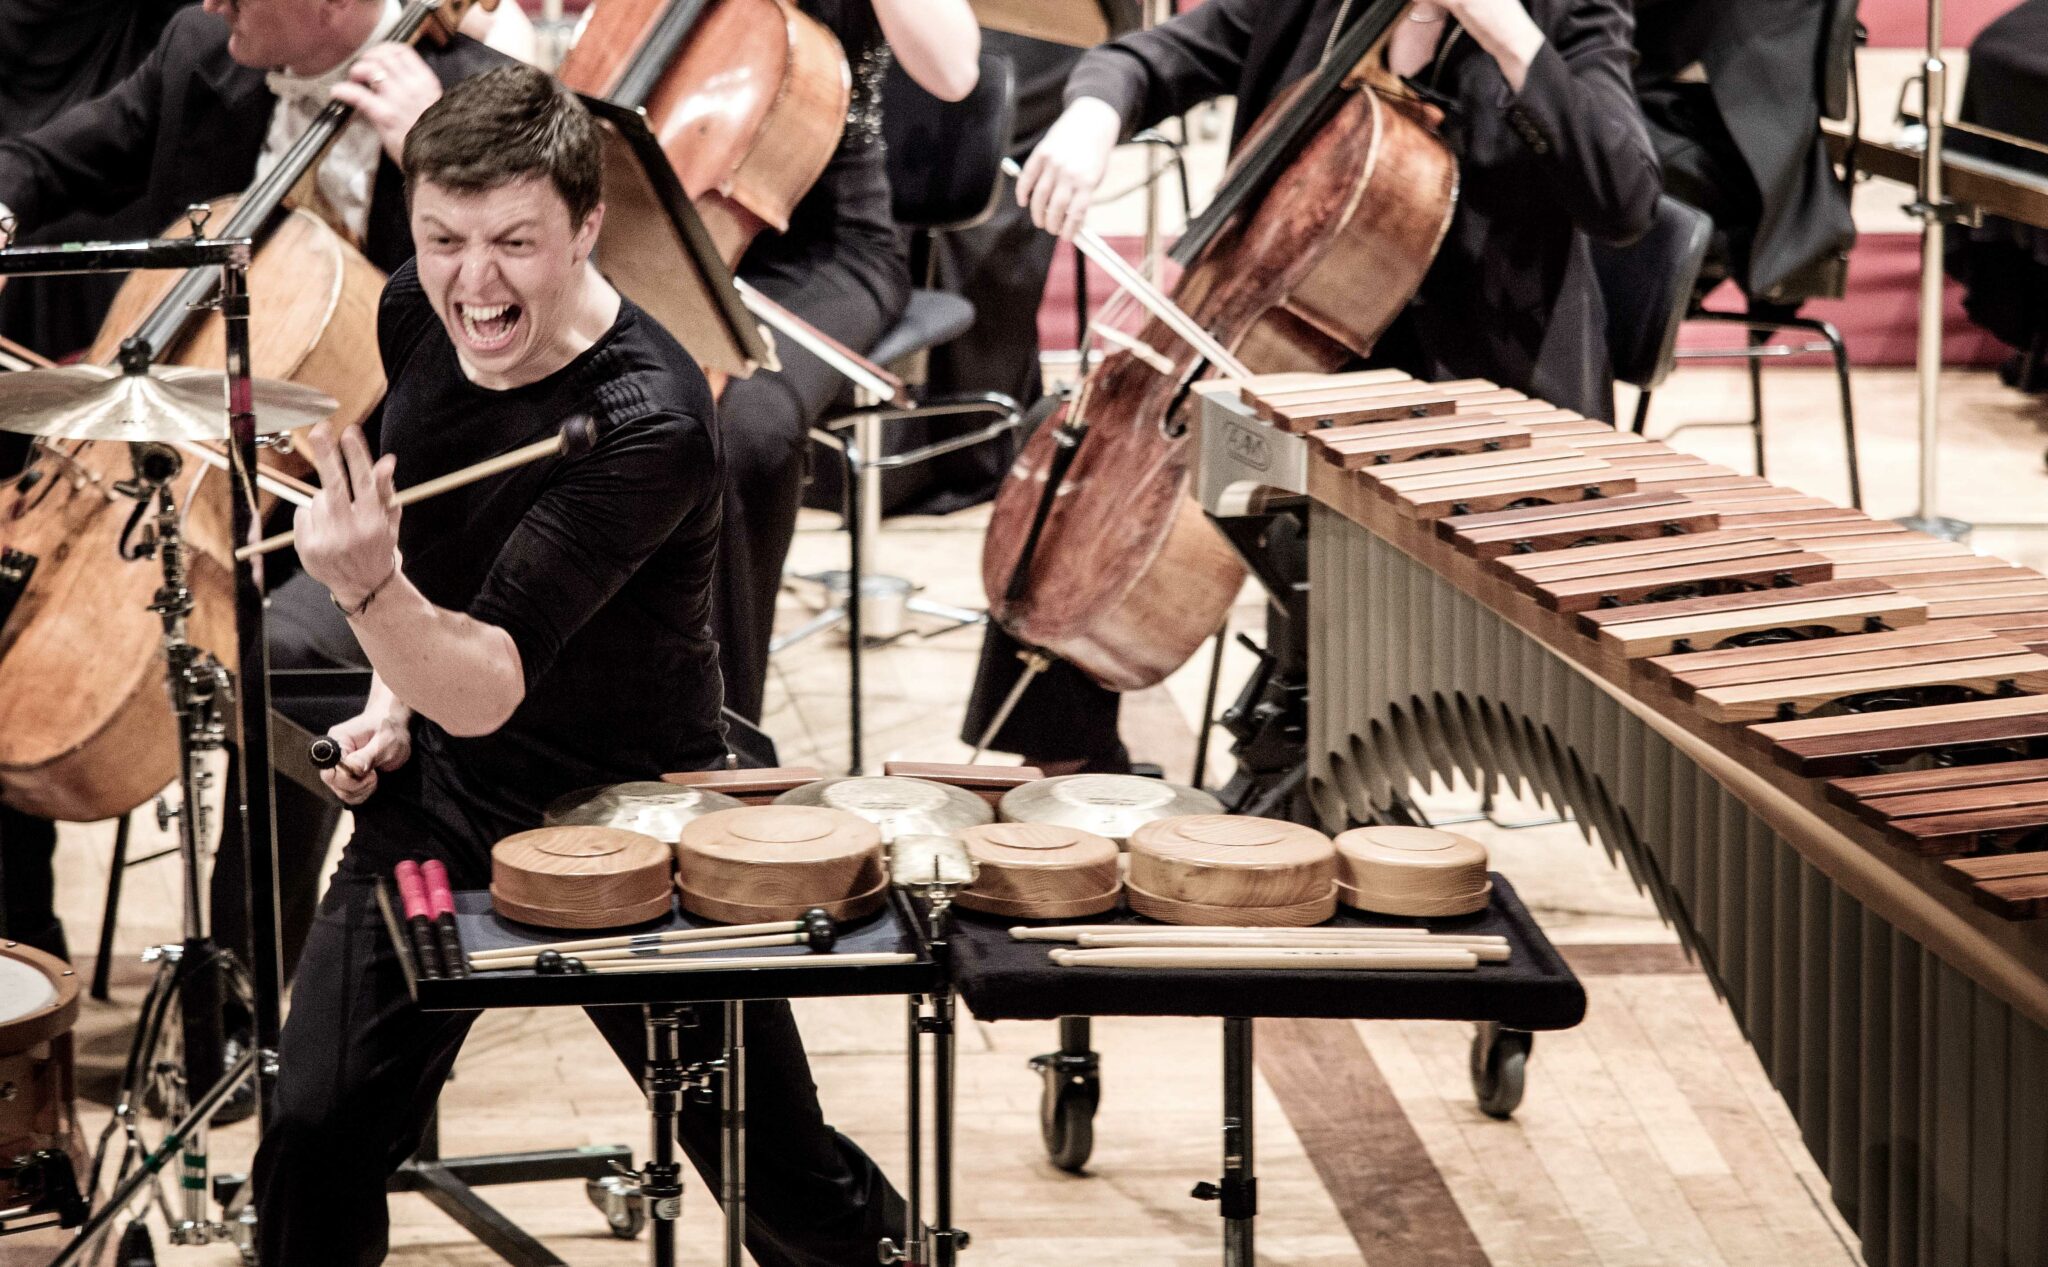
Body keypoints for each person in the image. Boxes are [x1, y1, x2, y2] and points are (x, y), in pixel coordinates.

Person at [253, 65, 908, 1266]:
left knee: (781, 1181)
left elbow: (491, 675)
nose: (472, 280)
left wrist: (363, 590)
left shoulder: (647, 418)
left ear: (587, 226)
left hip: (631, 833)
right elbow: (445, 592)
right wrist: (386, 701)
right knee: (313, 1132)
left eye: (514, 241)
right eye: (442, 237)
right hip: (440, 819)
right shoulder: (416, 312)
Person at [963, 0, 1659, 773]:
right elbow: (1148, 57)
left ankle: (1314, 792)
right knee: (1072, 447)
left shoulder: (1564, 12)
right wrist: (1091, 116)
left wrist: (1505, 31)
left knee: (1316, 523)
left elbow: (1625, 199)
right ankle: (1065, 774)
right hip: (1290, 358)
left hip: (1473, 392)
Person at [0, 0, 504, 977]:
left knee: (290, 648)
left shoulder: (477, 99)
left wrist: (437, 168)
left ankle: (239, 986)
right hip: (182, 475)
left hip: (398, 492)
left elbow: (518, 338)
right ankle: (24, 967)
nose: (214, 0)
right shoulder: (200, 51)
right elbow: (48, 159)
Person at [713, 0, 979, 725]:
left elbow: (956, 70)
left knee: (747, 428)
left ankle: (721, 734)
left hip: (830, 250)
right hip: (683, 214)